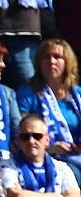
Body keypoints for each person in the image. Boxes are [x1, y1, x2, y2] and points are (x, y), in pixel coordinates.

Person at [16, 39, 81, 172]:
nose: (51, 61)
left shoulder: (78, 93)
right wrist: (48, 148)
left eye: (57, 57)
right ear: (39, 63)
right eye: (46, 57)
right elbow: (21, 132)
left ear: (67, 62)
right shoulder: (27, 93)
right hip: (48, 156)